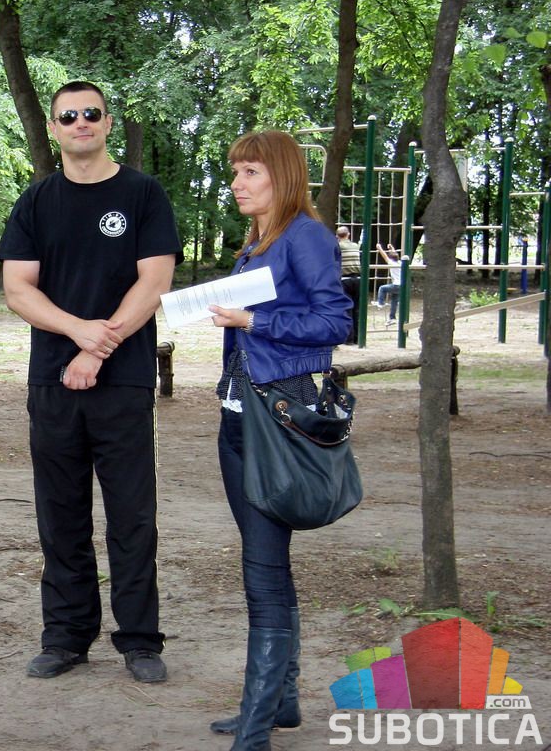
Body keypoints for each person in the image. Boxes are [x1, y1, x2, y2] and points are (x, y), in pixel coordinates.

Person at [0, 81, 181, 685]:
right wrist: (78, 332)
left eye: (91, 113)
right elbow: (17, 288)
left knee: (132, 516)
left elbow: (153, 282)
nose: (81, 122)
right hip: (52, 384)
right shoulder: (36, 201)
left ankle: (140, 640)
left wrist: (98, 350)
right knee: (61, 514)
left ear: (107, 122)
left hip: (125, 382)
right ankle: (66, 636)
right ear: (54, 128)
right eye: (69, 115)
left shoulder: (143, 194)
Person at [207, 130, 351, 751]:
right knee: (266, 562)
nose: (236, 183)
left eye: (250, 172)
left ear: (282, 176)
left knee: (263, 572)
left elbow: (336, 319)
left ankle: (256, 728)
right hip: (239, 418)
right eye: (235, 171)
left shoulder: (306, 236)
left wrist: (252, 319)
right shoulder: (258, 242)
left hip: (277, 421)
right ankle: (280, 702)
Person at [336, 226, 360, 344]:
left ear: (337, 236)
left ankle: (349, 338)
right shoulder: (355, 246)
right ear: (348, 234)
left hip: (344, 279)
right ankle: (358, 338)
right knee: (357, 309)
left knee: (347, 309)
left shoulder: (338, 246)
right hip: (358, 279)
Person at [374, 243, 403, 325]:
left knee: (382, 288)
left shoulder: (391, 263)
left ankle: (381, 303)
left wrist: (379, 248)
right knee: (394, 301)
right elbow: (395, 255)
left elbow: (385, 256)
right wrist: (392, 248)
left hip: (396, 285)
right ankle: (392, 318)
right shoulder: (400, 262)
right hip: (402, 286)